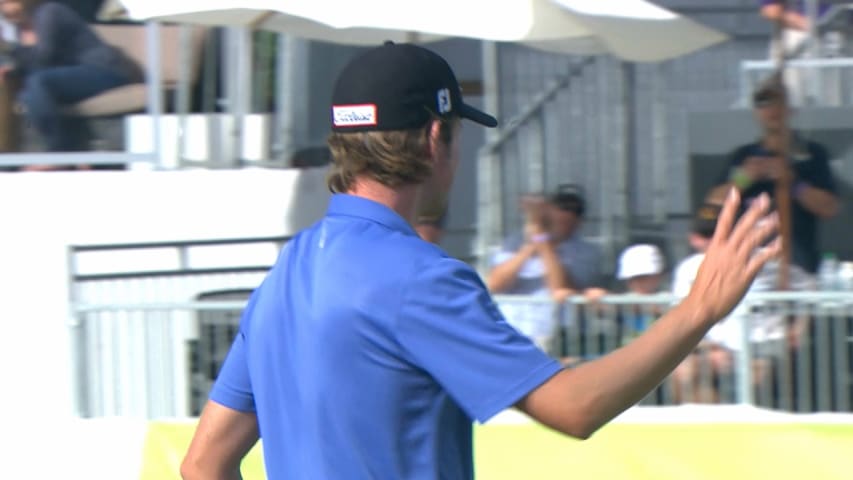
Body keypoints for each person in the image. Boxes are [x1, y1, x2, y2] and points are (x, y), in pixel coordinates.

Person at [180, 42, 781, 480]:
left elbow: (204, 464)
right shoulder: (419, 276)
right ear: (436, 138)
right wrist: (699, 308)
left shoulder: (288, 270)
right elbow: (573, 408)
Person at [707, 81, 839, 275]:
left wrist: (794, 184)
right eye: (763, 102)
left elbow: (830, 208)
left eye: (778, 101)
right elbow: (714, 202)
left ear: (790, 109)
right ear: (755, 112)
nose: (772, 109)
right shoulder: (743, 156)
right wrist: (745, 178)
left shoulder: (812, 154)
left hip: (799, 264)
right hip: (750, 263)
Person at [0, 0, 142, 155]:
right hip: (72, 75)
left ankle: (59, 152)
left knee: (38, 83)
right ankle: (71, 152)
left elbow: (43, 59)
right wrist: (11, 69)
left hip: (105, 70)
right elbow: (32, 63)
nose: (6, 9)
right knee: (30, 93)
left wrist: (8, 48)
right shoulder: (20, 27)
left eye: (9, 3)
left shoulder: (50, 12)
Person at [487, 185, 604, 300]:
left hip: (554, 317)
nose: (568, 214)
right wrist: (531, 244)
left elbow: (560, 289)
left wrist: (543, 242)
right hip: (513, 317)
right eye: (562, 207)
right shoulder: (514, 242)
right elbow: (494, 286)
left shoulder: (587, 252)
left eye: (576, 210)